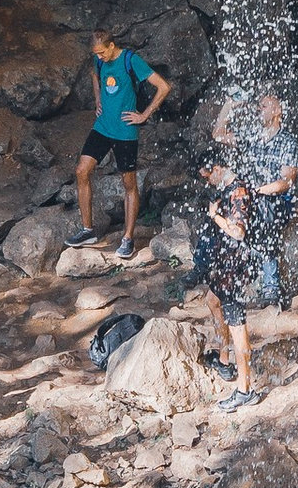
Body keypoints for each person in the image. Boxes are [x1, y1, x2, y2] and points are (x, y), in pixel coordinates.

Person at [76, 27, 171, 259]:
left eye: (102, 53)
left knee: (128, 183)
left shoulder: (130, 60)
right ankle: (88, 230)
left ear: (111, 46)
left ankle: (127, 239)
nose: (99, 57)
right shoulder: (100, 61)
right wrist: (98, 98)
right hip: (103, 126)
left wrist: (144, 115)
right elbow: (94, 74)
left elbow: (164, 86)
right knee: (81, 171)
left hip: (126, 131)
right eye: (96, 54)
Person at [192, 163, 264, 411]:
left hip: (235, 271)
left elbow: (238, 233)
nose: (208, 182)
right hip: (225, 268)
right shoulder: (230, 190)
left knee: (238, 330)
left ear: (218, 168)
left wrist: (215, 216)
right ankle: (224, 360)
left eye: (208, 176)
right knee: (212, 301)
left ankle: (245, 390)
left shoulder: (238, 193)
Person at [235, 92, 298, 304]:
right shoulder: (253, 135)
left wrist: (258, 191)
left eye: (263, 106)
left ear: (277, 112)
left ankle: (271, 286)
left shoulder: (288, 142)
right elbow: (218, 134)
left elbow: (286, 182)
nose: (258, 109)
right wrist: (230, 103)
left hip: (279, 201)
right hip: (253, 198)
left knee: (263, 208)